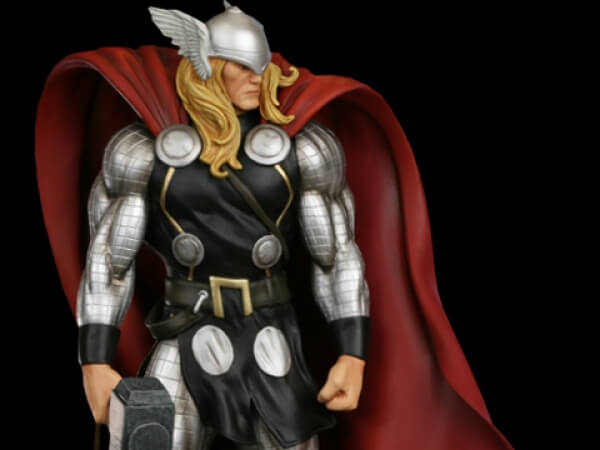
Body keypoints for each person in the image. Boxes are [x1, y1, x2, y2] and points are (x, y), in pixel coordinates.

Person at [35, 3, 514, 450]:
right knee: (150, 438)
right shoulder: (144, 153)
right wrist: (94, 359)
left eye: (261, 66)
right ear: (206, 66)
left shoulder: (301, 151)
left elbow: (336, 255)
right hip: (185, 332)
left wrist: (352, 353)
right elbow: (110, 260)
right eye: (242, 66)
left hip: (270, 336)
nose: (257, 77)